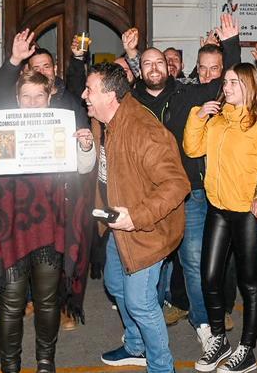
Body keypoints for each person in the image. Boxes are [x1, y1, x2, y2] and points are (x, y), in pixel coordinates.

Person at [0, 71, 95, 373]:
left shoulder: (62, 129)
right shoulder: (2, 129)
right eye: (27, 96)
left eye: (40, 96)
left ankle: (45, 362)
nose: (33, 102)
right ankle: (10, 366)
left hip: (51, 227)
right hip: (9, 227)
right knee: (10, 301)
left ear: (49, 98)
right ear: (17, 99)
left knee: (47, 301)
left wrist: (85, 148)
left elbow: (84, 170)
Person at [183, 62, 257, 373]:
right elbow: (192, 150)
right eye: (226, 82)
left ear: (248, 85)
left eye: (232, 82)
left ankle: (247, 349)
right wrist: (198, 117)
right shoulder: (218, 121)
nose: (225, 86)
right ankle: (219, 339)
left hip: (247, 214)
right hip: (217, 209)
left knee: (250, 283)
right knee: (209, 276)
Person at [83, 63, 190, 373]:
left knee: (141, 304)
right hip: (119, 225)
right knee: (115, 283)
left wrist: (137, 217)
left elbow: (176, 184)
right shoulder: (103, 120)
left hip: (146, 230)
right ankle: (135, 346)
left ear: (110, 95)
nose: (84, 95)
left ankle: (161, 367)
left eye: (90, 89)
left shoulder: (144, 130)